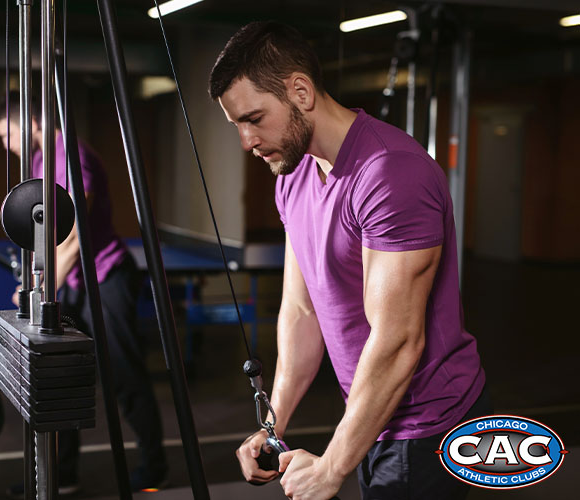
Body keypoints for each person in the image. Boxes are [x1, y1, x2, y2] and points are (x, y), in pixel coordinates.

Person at [209, 22, 489, 500]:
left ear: (300, 90)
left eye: (254, 118)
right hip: (370, 414)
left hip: (429, 426)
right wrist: (274, 424)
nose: (246, 140)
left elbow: (400, 340)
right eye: (237, 124)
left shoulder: (390, 172)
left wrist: (333, 465)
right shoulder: (291, 177)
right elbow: (302, 309)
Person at [0, 96, 168, 494]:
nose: (6, 145)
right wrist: (35, 281)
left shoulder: (71, 157)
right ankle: (62, 472)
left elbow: (72, 239)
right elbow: (44, 235)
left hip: (104, 279)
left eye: (7, 134)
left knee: (124, 376)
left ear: (32, 121)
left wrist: (39, 290)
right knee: (60, 375)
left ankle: (154, 466)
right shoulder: (39, 163)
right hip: (71, 283)